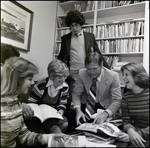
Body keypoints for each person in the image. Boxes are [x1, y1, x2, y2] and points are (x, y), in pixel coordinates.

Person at [57, 10, 110, 133]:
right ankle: (73, 129)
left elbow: (97, 54)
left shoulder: (90, 36)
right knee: (72, 102)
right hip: (72, 75)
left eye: (76, 25)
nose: (74, 28)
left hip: (88, 74)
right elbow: (61, 56)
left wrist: (107, 69)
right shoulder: (65, 38)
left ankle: (88, 129)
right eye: (71, 26)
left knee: (88, 100)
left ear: (81, 24)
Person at [1, 56, 65, 147]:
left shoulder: (17, 103)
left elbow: (24, 136)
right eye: (30, 79)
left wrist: (52, 137)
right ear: (18, 79)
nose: (32, 83)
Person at [71, 51, 122, 126]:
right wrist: (77, 110)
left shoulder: (113, 76)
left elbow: (117, 100)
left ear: (101, 65)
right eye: (89, 69)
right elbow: (76, 93)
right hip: (86, 104)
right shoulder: (82, 73)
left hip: (104, 107)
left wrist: (106, 114)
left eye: (95, 68)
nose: (91, 72)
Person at [26, 59, 69, 134]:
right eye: (59, 77)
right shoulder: (42, 84)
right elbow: (31, 102)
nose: (63, 80)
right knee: (54, 129)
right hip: (40, 115)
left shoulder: (65, 87)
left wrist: (61, 110)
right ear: (51, 76)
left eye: (65, 77)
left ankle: (49, 139)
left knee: (65, 124)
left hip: (54, 114)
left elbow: (63, 103)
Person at [117, 62, 149, 147]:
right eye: (123, 75)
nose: (123, 78)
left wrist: (136, 135)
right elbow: (126, 121)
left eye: (126, 74)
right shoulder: (126, 97)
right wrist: (131, 132)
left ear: (137, 76)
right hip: (135, 135)